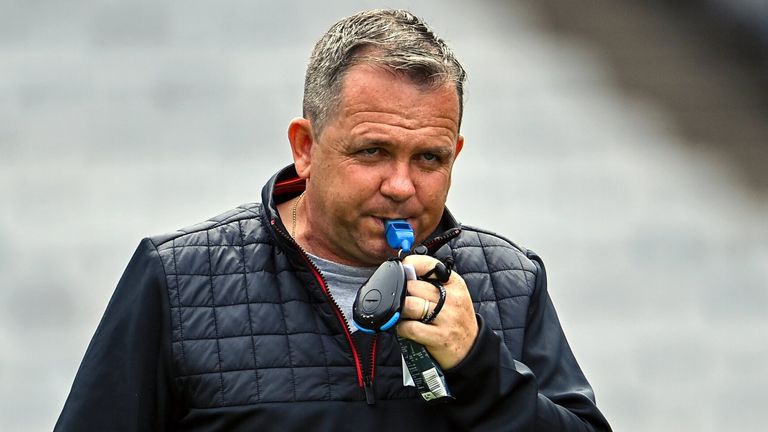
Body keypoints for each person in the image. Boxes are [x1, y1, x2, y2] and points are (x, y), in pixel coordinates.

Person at [55, 9, 611, 432]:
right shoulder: (179, 279)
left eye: (429, 158)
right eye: (371, 152)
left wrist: (479, 366)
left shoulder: (509, 281)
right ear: (306, 147)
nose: (401, 185)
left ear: (456, 154)